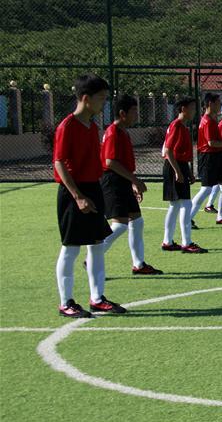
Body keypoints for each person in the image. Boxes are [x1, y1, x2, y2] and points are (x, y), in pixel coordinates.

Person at [53, 74, 127, 318]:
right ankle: (66, 302)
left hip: (92, 189)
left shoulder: (93, 126)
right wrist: (77, 196)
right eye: (101, 98)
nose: (104, 103)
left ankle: (97, 298)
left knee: (95, 246)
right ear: (86, 98)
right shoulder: (68, 126)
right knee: (71, 248)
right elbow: (59, 162)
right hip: (74, 192)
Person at [99, 94, 162, 275]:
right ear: (122, 113)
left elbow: (122, 162)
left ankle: (139, 264)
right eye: (134, 111)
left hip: (122, 179)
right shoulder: (113, 132)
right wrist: (134, 180)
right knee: (119, 225)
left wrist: (132, 182)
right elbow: (110, 162)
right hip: (112, 181)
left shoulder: (123, 132)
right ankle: (93, 258)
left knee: (137, 221)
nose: (137, 115)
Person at [161, 96, 207, 254]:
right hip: (173, 167)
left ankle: (167, 241)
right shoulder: (176, 126)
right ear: (183, 109)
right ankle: (186, 243)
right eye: (193, 108)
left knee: (175, 206)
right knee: (186, 205)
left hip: (178, 167)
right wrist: (178, 172)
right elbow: (168, 151)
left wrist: (187, 172)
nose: (195, 111)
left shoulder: (182, 127)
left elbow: (178, 153)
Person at [190, 93, 222, 226]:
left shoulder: (212, 120)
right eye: (217, 103)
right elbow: (211, 143)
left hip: (216, 157)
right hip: (208, 158)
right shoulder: (207, 121)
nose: (219, 106)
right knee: (206, 189)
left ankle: (221, 217)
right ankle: (187, 217)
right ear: (210, 104)